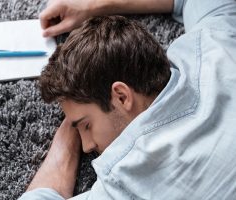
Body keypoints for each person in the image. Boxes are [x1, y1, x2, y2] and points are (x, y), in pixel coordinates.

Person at [19, 0, 236, 199]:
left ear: (122, 97)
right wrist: (93, 6)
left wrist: (65, 144)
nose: (87, 146)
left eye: (86, 125)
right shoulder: (214, 47)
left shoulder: (127, 181)